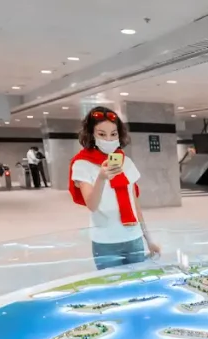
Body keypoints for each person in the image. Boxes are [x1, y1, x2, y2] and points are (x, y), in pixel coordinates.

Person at [68, 106, 161, 269]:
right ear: (91, 135)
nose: (109, 139)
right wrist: (101, 178)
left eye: (113, 134)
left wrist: (149, 240)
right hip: (106, 242)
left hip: (134, 238)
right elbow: (92, 204)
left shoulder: (127, 163)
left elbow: (136, 206)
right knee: (113, 289)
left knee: (139, 286)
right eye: (102, 134)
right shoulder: (82, 164)